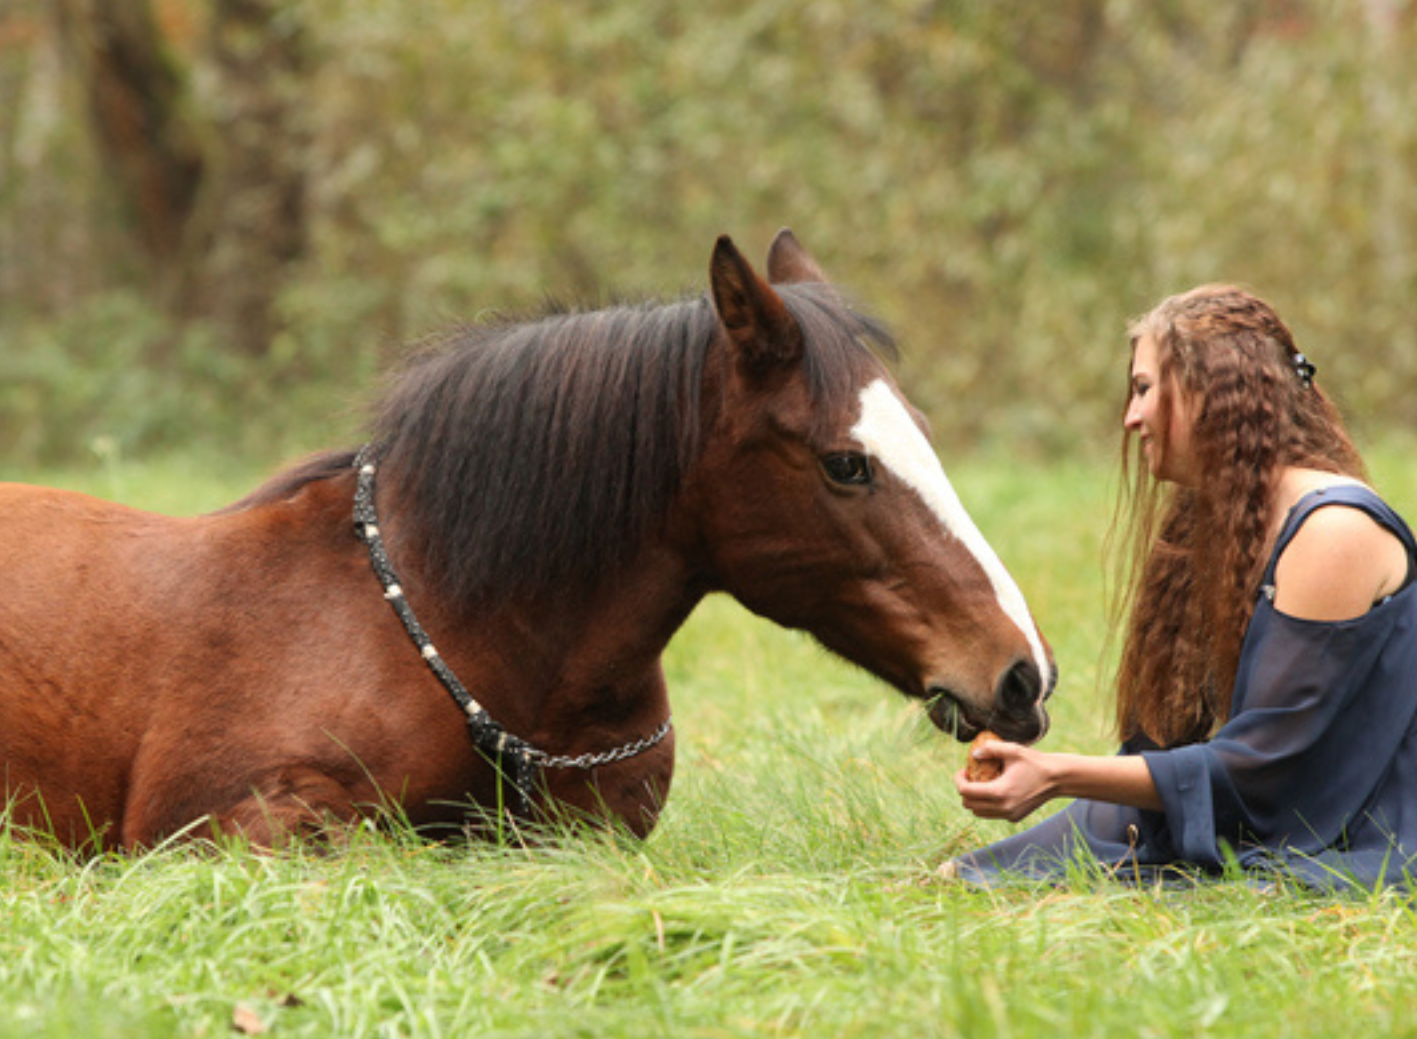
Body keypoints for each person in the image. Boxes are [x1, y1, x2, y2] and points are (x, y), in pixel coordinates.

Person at [947, 284, 1417, 889]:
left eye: (1144, 389)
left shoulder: (1334, 531)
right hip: (1269, 807)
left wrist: (1058, 774)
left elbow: (1266, 772)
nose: (1131, 416)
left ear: (1214, 392)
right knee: (980, 878)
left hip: (1364, 832)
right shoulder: (1218, 518)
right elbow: (1178, 754)